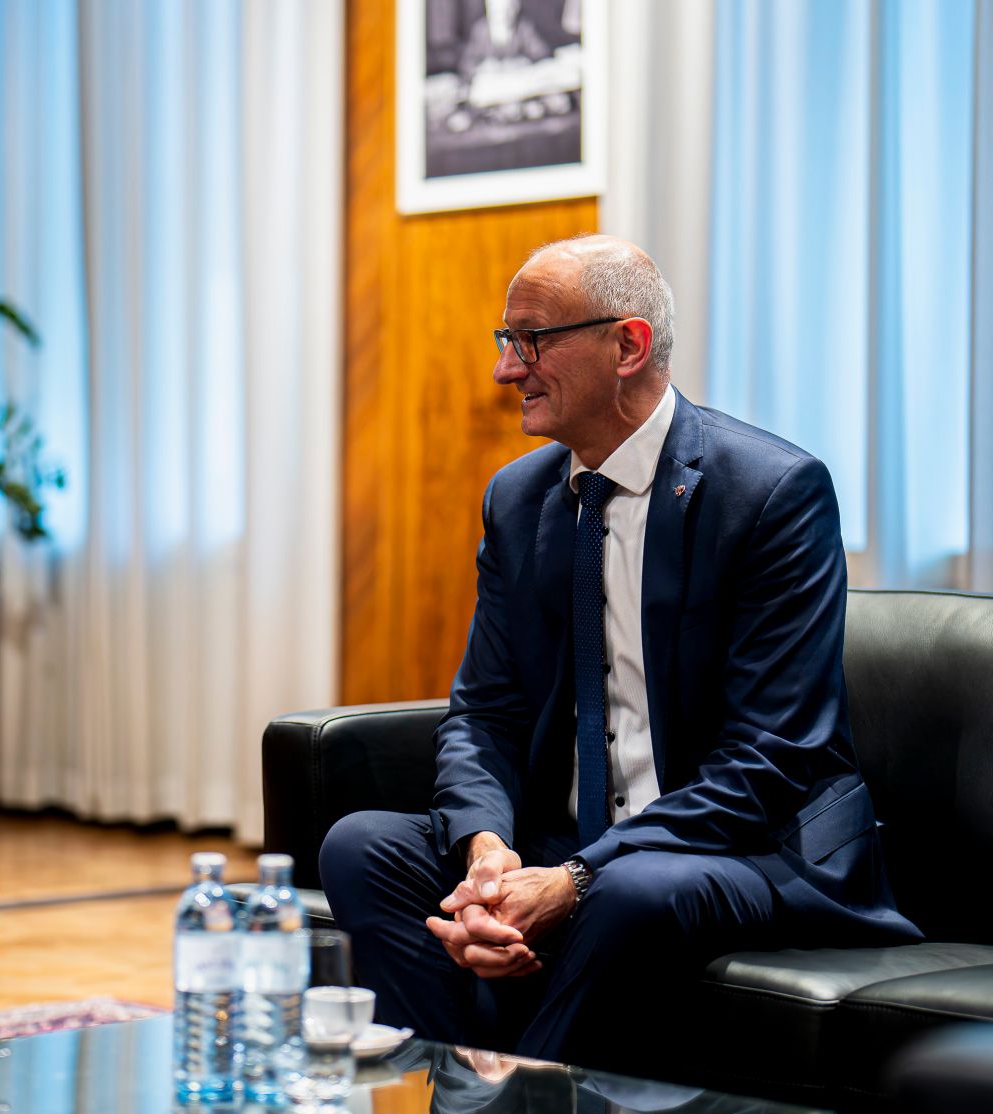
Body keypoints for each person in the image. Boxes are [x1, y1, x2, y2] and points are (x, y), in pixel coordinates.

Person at [319, 234, 918, 1064]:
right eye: (506, 340)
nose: (506, 368)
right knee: (361, 846)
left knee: (630, 889)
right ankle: (464, 1086)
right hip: (574, 842)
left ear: (627, 346)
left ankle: (514, 1112)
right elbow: (484, 712)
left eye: (531, 340)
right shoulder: (518, 498)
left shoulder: (771, 492)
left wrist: (574, 879)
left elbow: (773, 757)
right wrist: (487, 852)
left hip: (746, 845)